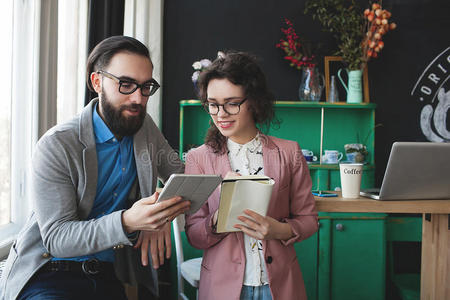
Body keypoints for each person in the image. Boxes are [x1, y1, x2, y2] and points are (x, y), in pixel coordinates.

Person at [0, 36, 191, 300]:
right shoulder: (58, 144)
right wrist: (130, 221)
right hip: (48, 272)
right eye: (126, 84)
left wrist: (159, 216)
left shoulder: (144, 127)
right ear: (97, 82)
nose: (138, 98)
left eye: (146, 86)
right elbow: (57, 238)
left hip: (107, 274)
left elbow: (181, 174)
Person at [184, 51, 318, 300]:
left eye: (232, 103)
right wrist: (217, 220)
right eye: (213, 104)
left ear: (254, 101)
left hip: (278, 284)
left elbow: (309, 220)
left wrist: (277, 229)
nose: (220, 114)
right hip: (222, 287)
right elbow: (194, 233)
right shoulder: (198, 158)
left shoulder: (289, 152)